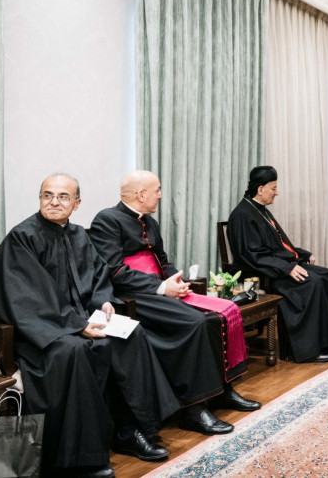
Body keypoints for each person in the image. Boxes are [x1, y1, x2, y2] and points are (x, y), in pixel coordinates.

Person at [0, 174, 178, 478]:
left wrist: (103, 303)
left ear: (77, 203)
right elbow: (25, 299)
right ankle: (83, 458)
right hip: (37, 333)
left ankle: (131, 431)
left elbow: (97, 278)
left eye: (63, 196)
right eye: (47, 195)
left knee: (131, 334)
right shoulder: (22, 237)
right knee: (75, 351)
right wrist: (76, 326)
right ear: (40, 199)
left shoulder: (79, 236)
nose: (54, 202)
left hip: (76, 321)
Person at [89, 170, 260, 437]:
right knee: (195, 322)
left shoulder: (150, 222)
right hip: (134, 296)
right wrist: (161, 287)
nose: (159, 194)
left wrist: (175, 280)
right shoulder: (107, 220)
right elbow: (115, 271)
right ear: (140, 194)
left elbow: (163, 261)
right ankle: (193, 410)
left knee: (217, 316)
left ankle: (222, 391)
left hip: (160, 290)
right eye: (156, 190)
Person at [227, 166, 328, 363]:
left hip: (279, 266)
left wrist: (302, 254)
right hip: (265, 273)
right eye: (274, 188)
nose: (277, 192)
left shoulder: (260, 210)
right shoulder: (242, 215)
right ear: (260, 189)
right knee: (312, 282)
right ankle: (306, 350)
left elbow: (278, 245)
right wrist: (287, 268)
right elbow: (250, 255)